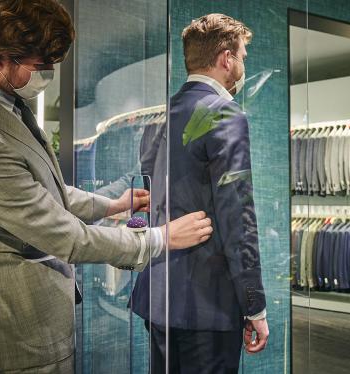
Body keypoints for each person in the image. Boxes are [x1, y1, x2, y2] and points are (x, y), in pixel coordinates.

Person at [0, 0, 212, 372]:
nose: (48, 74)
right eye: (41, 66)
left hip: (39, 313)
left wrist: (112, 204)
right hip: (19, 329)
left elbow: (39, 188)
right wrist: (160, 238)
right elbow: (67, 238)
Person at [130, 13, 268, 373]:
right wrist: (254, 305)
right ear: (227, 59)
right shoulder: (224, 114)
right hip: (207, 305)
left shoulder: (158, 118)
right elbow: (238, 218)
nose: (243, 65)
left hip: (157, 297)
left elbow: (144, 199)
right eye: (243, 57)